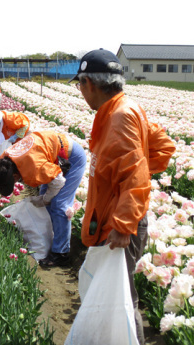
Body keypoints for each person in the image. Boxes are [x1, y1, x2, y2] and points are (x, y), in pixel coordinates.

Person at [72, 48, 175, 345]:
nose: (80, 91)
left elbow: (134, 172)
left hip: (117, 226)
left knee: (122, 302)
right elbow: (163, 147)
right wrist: (136, 173)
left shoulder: (119, 116)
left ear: (90, 83)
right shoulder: (124, 108)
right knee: (116, 297)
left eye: (80, 84)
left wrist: (123, 222)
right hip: (113, 218)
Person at [0, 131, 87, 267]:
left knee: (58, 204)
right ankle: (51, 239)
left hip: (72, 157)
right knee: (46, 201)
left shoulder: (32, 167)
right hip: (49, 155)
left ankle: (61, 254)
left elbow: (58, 181)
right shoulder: (3, 163)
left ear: (15, 177)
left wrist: (45, 200)